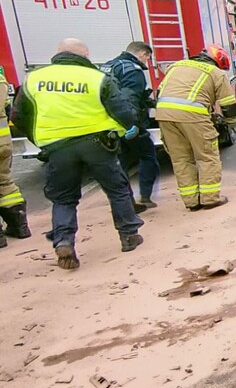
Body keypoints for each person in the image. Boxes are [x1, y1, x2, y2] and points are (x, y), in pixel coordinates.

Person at [11, 38, 144, 270]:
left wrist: (41, 140)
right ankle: (129, 236)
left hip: (57, 147)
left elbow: (19, 117)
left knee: (63, 198)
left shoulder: (34, 79)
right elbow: (122, 110)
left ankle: (63, 241)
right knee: (117, 189)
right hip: (98, 144)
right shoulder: (96, 77)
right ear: (84, 55)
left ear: (57, 54)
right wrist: (129, 128)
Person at [155, 45, 236, 211]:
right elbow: (228, 104)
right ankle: (210, 198)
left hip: (164, 115)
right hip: (193, 115)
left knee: (181, 159)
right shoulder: (216, 73)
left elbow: (159, 92)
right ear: (218, 62)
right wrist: (231, 124)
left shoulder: (176, 66)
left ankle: (192, 202)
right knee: (207, 156)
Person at [103, 42, 160, 212]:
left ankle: (126, 202)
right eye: (148, 57)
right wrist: (133, 124)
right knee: (148, 157)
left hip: (109, 124)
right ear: (142, 53)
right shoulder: (132, 70)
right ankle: (145, 197)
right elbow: (129, 98)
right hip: (129, 124)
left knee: (121, 164)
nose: (147, 61)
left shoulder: (108, 66)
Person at [0, 68, 31, 246]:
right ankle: (20, 226)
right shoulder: (1, 79)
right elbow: (7, 106)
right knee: (4, 181)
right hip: (3, 142)